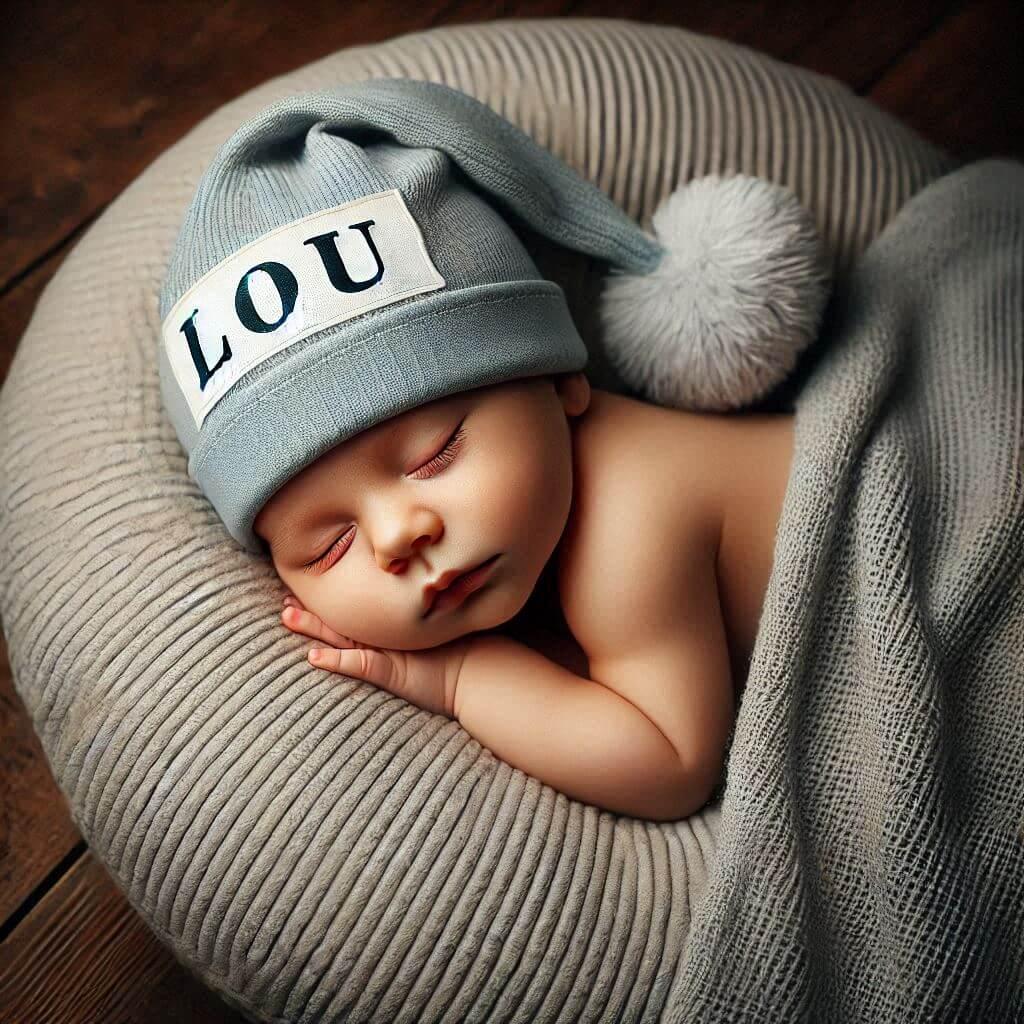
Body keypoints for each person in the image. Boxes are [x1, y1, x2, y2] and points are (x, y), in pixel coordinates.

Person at [159, 79, 823, 821]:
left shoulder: (632, 507)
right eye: (328, 545)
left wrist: (461, 678)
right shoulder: (534, 535)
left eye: (436, 454)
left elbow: (669, 763)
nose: (397, 537)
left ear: (561, 382)